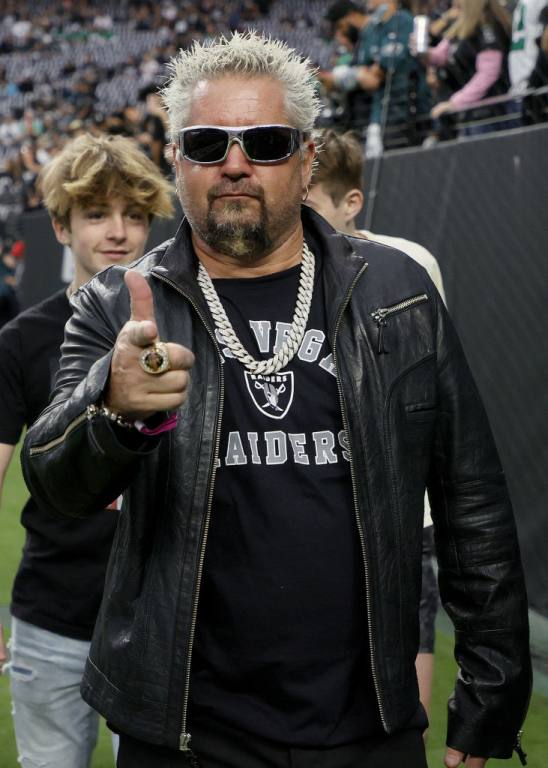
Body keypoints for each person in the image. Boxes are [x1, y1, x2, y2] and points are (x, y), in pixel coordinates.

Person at [22, 32, 531, 768]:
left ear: (307, 157)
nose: (234, 163)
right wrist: (114, 410)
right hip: (186, 731)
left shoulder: (395, 293)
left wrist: (490, 691)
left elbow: (471, 503)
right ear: (176, 161)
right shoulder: (119, 303)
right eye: (206, 143)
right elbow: (54, 481)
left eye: (264, 141)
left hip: (367, 725)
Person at [0, 132, 174, 768]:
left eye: (134, 214)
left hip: (161, 617)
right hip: (53, 614)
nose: (119, 231)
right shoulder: (22, 340)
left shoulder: (190, 326)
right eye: (97, 213)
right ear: (60, 226)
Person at [305, 127, 446, 722]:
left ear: (351, 202)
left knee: (408, 648)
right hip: (315, 508)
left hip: (400, 509)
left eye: (309, 205)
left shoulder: (407, 265)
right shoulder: (273, 271)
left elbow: (429, 391)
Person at [320, 0, 428, 155]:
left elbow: (373, 77)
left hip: (405, 113)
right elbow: (366, 70)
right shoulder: (373, 29)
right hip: (380, 117)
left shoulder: (403, 21)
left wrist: (356, 75)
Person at [421, 0, 512, 136]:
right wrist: (423, 52)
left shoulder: (487, 24)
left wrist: (455, 102)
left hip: (490, 112)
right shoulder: (462, 25)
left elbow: (489, 73)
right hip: (470, 113)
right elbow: (441, 55)